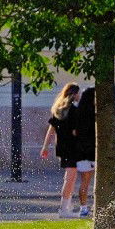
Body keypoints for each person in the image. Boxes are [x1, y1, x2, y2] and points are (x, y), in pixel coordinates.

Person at [40, 82, 82, 216]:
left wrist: (45, 147)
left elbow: (50, 130)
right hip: (73, 148)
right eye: (78, 93)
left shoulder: (58, 110)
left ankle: (67, 206)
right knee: (70, 178)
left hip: (62, 147)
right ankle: (64, 209)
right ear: (74, 94)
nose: (80, 95)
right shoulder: (74, 111)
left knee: (70, 177)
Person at [72, 87, 97, 216]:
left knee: (85, 182)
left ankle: (83, 207)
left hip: (81, 151)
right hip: (90, 151)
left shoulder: (78, 113)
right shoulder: (93, 115)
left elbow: (75, 132)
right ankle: (88, 206)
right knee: (90, 181)